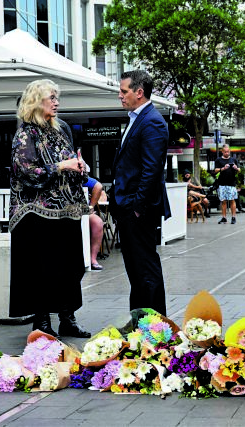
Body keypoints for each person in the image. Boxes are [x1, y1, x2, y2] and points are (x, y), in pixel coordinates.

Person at [9, 79, 91, 338]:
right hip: (37, 213)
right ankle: (42, 321)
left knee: (71, 266)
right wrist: (60, 167)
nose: (56, 102)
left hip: (66, 211)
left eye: (57, 97)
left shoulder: (61, 129)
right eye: (51, 97)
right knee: (42, 269)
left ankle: (68, 318)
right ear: (36, 101)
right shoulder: (26, 133)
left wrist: (79, 166)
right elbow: (26, 172)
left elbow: (69, 160)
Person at [110, 70, 171, 315]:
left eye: (124, 91)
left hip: (138, 209)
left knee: (145, 269)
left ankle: (155, 326)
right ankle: (140, 323)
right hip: (129, 206)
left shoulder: (152, 121)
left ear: (139, 92)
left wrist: (136, 207)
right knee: (136, 270)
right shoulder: (137, 118)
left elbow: (152, 169)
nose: (120, 96)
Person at [214, 144, 240, 224]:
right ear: (222, 152)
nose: (227, 153)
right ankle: (224, 217)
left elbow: (239, 170)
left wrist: (236, 168)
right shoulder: (218, 160)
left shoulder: (233, 160)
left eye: (228, 152)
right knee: (223, 201)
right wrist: (223, 168)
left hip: (231, 183)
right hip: (222, 183)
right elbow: (215, 170)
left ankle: (233, 217)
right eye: (225, 152)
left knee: (232, 200)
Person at [84, 177, 105, 271]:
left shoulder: (76, 174)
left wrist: (91, 206)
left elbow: (98, 186)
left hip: (82, 211)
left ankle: (93, 259)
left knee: (98, 222)